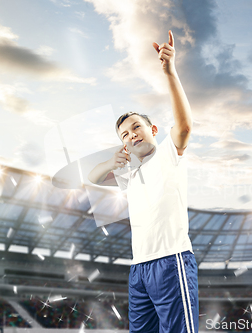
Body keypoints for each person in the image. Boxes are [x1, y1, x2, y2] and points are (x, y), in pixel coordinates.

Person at [88, 30, 198, 333]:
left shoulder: (169, 153)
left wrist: (170, 71)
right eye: (125, 134)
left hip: (171, 261)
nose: (132, 134)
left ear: (153, 129)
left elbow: (185, 125)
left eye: (136, 127)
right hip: (139, 269)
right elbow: (92, 177)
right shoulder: (129, 174)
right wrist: (111, 162)